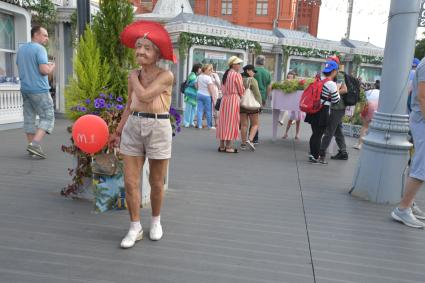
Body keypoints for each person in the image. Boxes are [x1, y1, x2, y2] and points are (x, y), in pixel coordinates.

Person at [109, 20, 175, 248]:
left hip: (158, 127)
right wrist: (117, 131)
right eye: (138, 46)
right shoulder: (134, 75)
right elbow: (130, 104)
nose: (140, 51)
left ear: (157, 53)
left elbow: (146, 96)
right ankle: (134, 226)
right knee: (130, 182)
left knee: (156, 181)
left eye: (147, 48)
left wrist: (133, 79)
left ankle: (155, 221)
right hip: (134, 127)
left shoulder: (166, 75)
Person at [391, 58, 425, 228]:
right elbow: (422, 95)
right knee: (422, 165)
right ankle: (403, 208)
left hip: (420, 119)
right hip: (422, 120)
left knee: (419, 164)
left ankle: (408, 204)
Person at [16, 26, 55, 159]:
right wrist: (51, 68)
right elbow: (44, 70)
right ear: (36, 35)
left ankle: (32, 148)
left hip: (25, 89)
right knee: (48, 116)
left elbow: (20, 66)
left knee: (29, 118)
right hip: (39, 89)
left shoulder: (21, 50)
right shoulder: (40, 49)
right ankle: (34, 144)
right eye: (44, 35)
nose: (46, 38)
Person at [305, 61, 341, 164]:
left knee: (314, 134)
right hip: (322, 111)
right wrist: (337, 89)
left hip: (313, 109)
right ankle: (315, 157)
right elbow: (336, 100)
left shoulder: (318, 80)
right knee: (318, 134)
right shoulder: (331, 84)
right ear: (334, 71)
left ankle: (312, 154)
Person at [317, 58, 349, 163]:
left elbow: (344, 89)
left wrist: (333, 92)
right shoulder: (331, 76)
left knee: (329, 130)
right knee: (337, 130)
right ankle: (343, 152)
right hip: (336, 106)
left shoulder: (339, 75)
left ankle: (321, 153)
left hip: (337, 107)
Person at [217, 56, 244, 153]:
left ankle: (222, 145)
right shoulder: (236, 75)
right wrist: (242, 95)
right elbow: (241, 89)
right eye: (238, 64)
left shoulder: (226, 74)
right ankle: (228, 146)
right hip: (233, 99)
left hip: (225, 99)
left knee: (223, 121)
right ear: (233, 64)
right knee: (231, 121)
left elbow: (222, 88)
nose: (239, 65)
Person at [240, 65, 262, 151]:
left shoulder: (240, 79)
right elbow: (257, 94)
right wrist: (260, 104)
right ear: (248, 71)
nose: (254, 73)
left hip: (242, 104)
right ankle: (250, 139)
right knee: (255, 124)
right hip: (252, 106)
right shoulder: (252, 80)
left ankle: (243, 144)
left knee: (244, 125)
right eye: (253, 71)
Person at [353, 80, 380, 150]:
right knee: (375, 127)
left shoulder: (370, 91)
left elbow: (364, 100)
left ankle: (360, 144)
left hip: (369, 106)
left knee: (365, 126)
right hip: (378, 108)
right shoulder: (382, 93)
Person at [281, 71, 305, 140]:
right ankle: (286, 133)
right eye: (288, 76)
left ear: (294, 77)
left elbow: (300, 91)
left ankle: (297, 134)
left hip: (297, 103)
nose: (289, 78)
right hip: (292, 104)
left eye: (291, 77)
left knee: (298, 121)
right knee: (290, 120)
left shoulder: (297, 83)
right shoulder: (286, 83)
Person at [253, 55, 272, 144]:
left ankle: (249, 137)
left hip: (251, 95)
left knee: (248, 117)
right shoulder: (267, 73)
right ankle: (254, 138)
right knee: (256, 118)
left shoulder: (252, 71)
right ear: (264, 62)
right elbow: (269, 87)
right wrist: (266, 97)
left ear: (256, 61)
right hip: (261, 96)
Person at [196, 64, 215, 130]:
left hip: (199, 94)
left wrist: (199, 89)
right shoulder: (208, 78)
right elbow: (210, 88)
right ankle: (209, 126)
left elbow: (196, 85)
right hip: (207, 95)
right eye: (209, 70)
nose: (210, 71)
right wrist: (212, 96)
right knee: (208, 111)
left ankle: (199, 125)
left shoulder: (198, 77)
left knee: (199, 110)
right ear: (205, 70)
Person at [183, 63, 202, 128]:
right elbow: (195, 85)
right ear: (197, 69)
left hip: (194, 95)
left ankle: (191, 122)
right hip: (190, 94)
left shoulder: (196, 76)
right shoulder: (193, 76)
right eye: (200, 68)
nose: (201, 69)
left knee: (193, 109)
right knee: (189, 109)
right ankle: (186, 122)